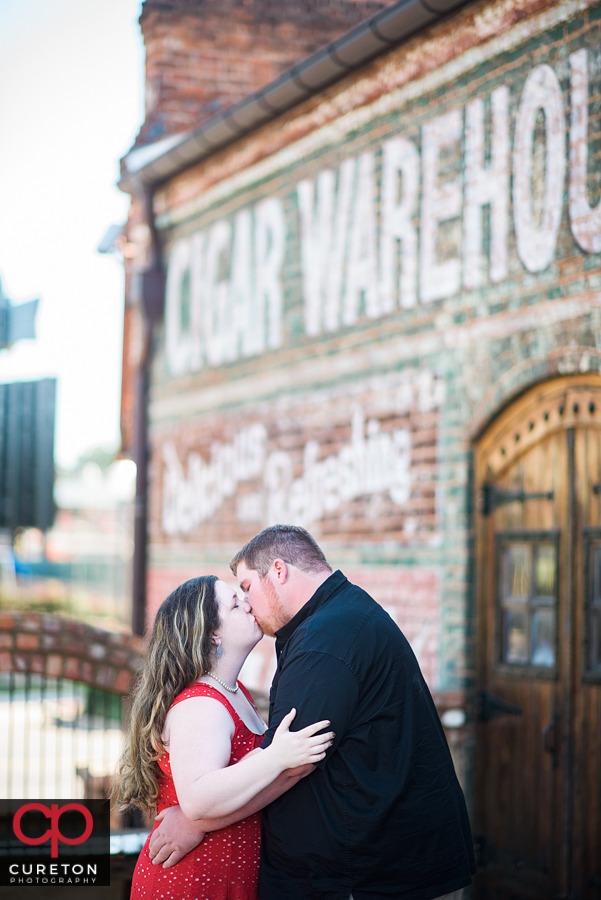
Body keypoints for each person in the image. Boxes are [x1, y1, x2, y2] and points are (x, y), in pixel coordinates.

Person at [149, 526, 476, 900]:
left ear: (278, 571)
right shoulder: (337, 617)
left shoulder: (325, 640)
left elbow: (292, 764)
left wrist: (197, 823)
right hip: (366, 869)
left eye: (246, 588)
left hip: (376, 875)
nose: (247, 602)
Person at [118, 574, 334, 900]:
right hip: (194, 879)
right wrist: (277, 756)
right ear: (213, 634)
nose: (247, 604)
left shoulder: (231, 692)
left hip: (224, 870)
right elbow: (198, 800)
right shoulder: (202, 705)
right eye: (235, 603)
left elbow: (248, 777)